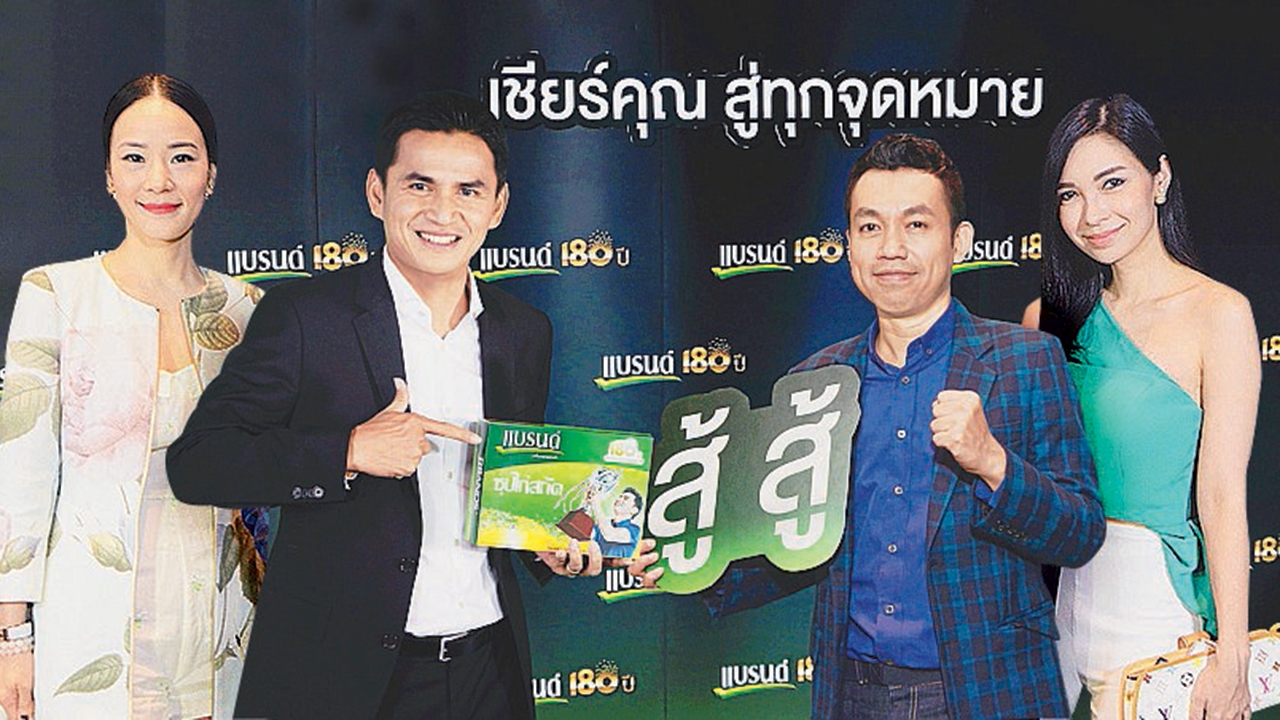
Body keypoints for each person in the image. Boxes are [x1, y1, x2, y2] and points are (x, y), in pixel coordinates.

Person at [632, 133, 1105, 719]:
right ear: (850, 247)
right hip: (853, 695)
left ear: (959, 241)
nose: (891, 248)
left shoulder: (1025, 361)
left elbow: (1079, 533)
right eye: (870, 227)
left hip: (988, 694)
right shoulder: (816, 383)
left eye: (916, 224)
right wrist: (681, 564)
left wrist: (993, 463)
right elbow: (795, 550)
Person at [167, 90, 600, 720]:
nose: (443, 212)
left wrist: (549, 545)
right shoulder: (306, 317)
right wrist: (347, 451)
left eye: (469, 191)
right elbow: (199, 463)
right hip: (347, 679)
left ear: (498, 205)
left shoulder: (524, 331)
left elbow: (509, 489)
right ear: (378, 193)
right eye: (419, 186)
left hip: (489, 670)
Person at [0, 74, 267, 719]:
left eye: (182, 157)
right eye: (135, 158)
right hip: (89, 633)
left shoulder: (247, 310)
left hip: (225, 630)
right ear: (109, 177)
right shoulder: (55, 295)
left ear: (211, 175)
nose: (159, 181)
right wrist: (13, 638)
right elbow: (20, 481)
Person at [1024, 94, 1256, 719]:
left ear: (1160, 179)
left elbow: (1221, 495)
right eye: (1070, 194)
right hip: (1053, 610)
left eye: (1112, 183)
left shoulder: (1218, 314)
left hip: (1155, 615)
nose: (1091, 213)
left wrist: (1233, 655)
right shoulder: (1046, 322)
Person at [591, 486, 644, 558]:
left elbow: (609, 534)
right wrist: (588, 503)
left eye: (626, 498)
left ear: (634, 510)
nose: (619, 499)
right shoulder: (600, 526)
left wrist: (595, 504)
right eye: (620, 497)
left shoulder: (633, 530)